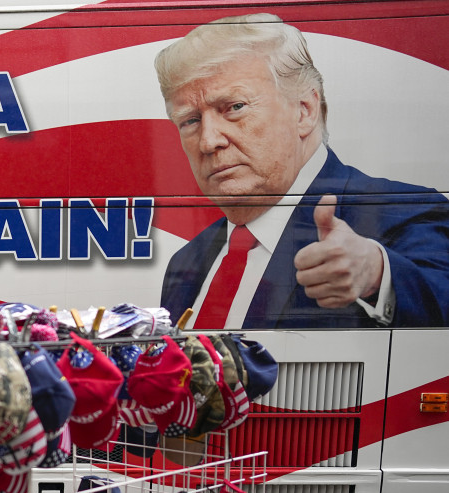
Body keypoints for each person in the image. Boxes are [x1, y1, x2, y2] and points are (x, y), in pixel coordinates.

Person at [155, 13, 449, 329]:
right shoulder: (186, 262)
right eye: (190, 121)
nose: (209, 140)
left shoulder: (403, 212)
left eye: (235, 107)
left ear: (304, 111)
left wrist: (378, 275)